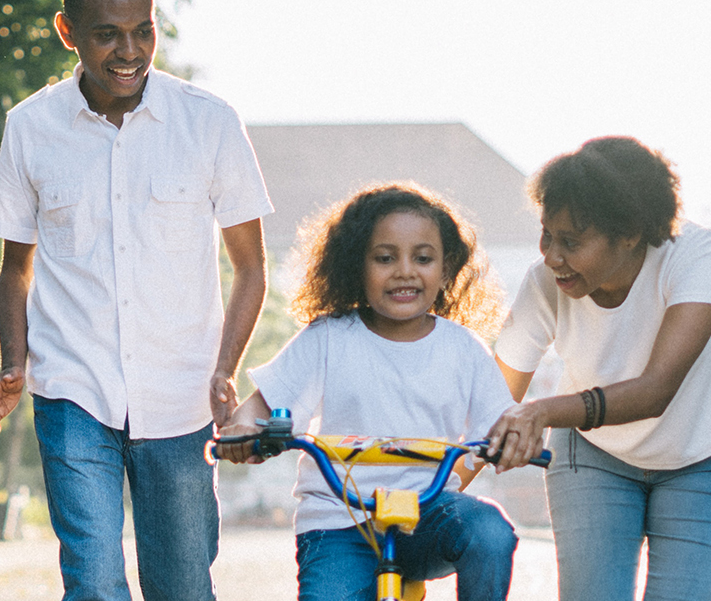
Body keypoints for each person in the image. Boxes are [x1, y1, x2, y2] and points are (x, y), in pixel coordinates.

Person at [0, 0, 273, 601]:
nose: (129, 50)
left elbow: (251, 268)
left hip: (181, 398)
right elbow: (13, 272)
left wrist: (224, 369)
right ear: (67, 33)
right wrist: (14, 364)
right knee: (94, 581)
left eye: (143, 30)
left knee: (182, 587)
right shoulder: (30, 128)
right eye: (106, 34)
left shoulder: (208, 122)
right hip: (73, 390)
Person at [484, 136, 711, 601]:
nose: (551, 256)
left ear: (629, 232)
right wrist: (429, 493)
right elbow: (490, 406)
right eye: (547, 235)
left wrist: (542, 412)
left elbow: (655, 391)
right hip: (593, 455)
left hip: (706, 454)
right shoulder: (543, 283)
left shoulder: (695, 255)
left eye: (570, 241)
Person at [216, 184, 517, 601]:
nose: (405, 271)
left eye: (423, 258)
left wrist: (512, 440)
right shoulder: (328, 338)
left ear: (446, 269)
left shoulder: (463, 349)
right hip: (339, 518)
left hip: (427, 515)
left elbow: (501, 425)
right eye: (385, 258)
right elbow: (258, 409)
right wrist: (243, 430)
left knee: (490, 532)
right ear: (355, 266)